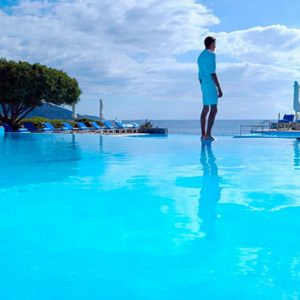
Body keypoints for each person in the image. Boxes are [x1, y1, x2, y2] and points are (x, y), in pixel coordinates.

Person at [197, 36, 223, 141]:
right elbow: (212, 73)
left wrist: (202, 85)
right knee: (214, 109)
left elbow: (199, 74)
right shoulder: (211, 55)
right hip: (210, 84)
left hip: (203, 84)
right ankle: (208, 134)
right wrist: (219, 88)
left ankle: (203, 134)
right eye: (215, 44)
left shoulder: (200, 56)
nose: (215, 47)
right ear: (211, 44)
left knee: (205, 109)